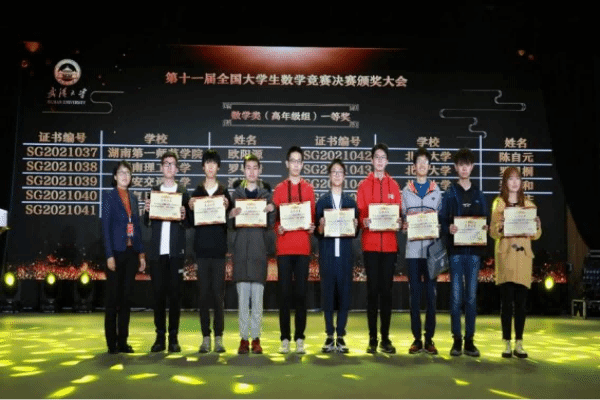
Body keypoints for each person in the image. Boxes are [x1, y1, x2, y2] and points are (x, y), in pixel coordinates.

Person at [440, 148, 488, 357]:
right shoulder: (450, 193)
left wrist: (484, 227)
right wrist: (448, 228)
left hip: (474, 253)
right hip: (456, 252)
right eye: (460, 165)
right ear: (455, 168)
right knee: (456, 297)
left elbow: (485, 220)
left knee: (471, 297)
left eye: (467, 164)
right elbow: (442, 221)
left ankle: (470, 340)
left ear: (472, 167)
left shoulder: (479, 194)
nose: (464, 168)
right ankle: (456, 340)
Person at [489, 166, 542, 358]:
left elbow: (535, 235)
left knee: (521, 304)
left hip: (523, 258)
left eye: (517, 179)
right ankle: (506, 343)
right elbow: (492, 232)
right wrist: (501, 226)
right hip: (505, 257)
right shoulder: (499, 204)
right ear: (505, 182)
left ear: (521, 182)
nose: (514, 182)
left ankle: (519, 343)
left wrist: (537, 226)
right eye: (510, 179)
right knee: (506, 303)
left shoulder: (529, 205)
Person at [143, 151, 191, 353]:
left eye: (172, 164)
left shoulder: (183, 192)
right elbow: (146, 222)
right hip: (157, 253)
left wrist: (184, 215)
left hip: (175, 253)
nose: (169, 167)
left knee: (175, 296)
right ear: (161, 168)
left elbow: (189, 224)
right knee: (158, 295)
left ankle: (173, 337)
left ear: (177, 169)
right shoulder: (154, 191)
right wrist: (146, 210)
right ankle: (159, 336)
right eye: (166, 164)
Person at [357, 143, 402, 354]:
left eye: (383, 157)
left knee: (386, 293)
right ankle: (372, 338)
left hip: (390, 247)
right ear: (372, 160)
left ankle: (385, 338)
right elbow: (359, 215)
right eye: (377, 157)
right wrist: (363, 221)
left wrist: (399, 222)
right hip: (371, 245)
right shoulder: (363, 185)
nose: (380, 160)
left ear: (387, 161)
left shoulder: (394, 185)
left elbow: (398, 215)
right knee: (372, 292)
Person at [228, 154, 275, 355]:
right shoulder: (236, 195)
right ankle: (243, 339)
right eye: (248, 167)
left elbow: (270, 225)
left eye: (255, 167)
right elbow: (230, 225)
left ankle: (256, 338)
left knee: (257, 301)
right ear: (244, 171)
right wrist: (231, 215)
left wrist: (272, 210)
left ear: (260, 170)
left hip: (258, 253)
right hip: (240, 254)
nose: (252, 171)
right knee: (242, 302)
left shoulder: (266, 196)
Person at [273, 146, 315, 354]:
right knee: (284, 295)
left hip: (302, 249)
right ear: (287, 164)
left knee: (301, 295)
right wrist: (278, 228)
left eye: (299, 161)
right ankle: (284, 338)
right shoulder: (279, 189)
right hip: (284, 249)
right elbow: (275, 220)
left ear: (302, 164)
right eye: (293, 161)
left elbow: (312, 219)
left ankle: (299, 338)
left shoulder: (309, 189)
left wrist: (312, 227)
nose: (296, 165)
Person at [189, 149, 233, 353]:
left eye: (214, 163)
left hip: (218, 252)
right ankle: (205, 337)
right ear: (203, 167)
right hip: (202, 252)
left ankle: (219, 338)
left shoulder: (225, 193)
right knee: (203, 296)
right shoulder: (196, 193)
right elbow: (190, 223)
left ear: (218, 167)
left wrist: (228, 207)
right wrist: (190, 208)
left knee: (218, 296)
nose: (210, 166)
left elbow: (230, 222)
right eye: (207, 163)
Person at [101, 160, 146, 354]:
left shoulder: (133, 198)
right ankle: (111, 343)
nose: (125, 176)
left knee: (126, 300)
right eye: (121, 172)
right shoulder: (109, 197)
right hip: (116, 253)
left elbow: (137, 228)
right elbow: (105, 228)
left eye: (128, 172)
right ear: (115, 176)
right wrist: (109, 255)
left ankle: (123, 342)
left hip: (130, 253)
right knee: (113, 300)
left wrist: (141, 254)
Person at [315, 159, 359, 353]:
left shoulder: (351, 203)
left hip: (345, 256)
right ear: (329, 176)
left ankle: (340, 335)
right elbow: (317, 232)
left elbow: (355, 233)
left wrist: (355, 226)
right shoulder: (322, 202)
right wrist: (321, 226)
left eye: (340, 172)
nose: (337, 175)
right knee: (327, 295)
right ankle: (328, 335)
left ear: (345, 176)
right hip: (327, 255)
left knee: (344, 295)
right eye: (334, 172)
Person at [401, 147, 442, 355]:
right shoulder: (406, 191)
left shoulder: (437, 191)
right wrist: (404, 226)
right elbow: (401, 221)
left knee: (431, 296)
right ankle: (417, 339)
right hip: (413, 253)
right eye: (419, 162)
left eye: (426, 161)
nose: (422, 165)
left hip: (432, 252)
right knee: (415, 296)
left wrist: (439, 227)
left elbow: (441, 220)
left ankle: (429, 338)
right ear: (414, 166)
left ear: (429, 166)